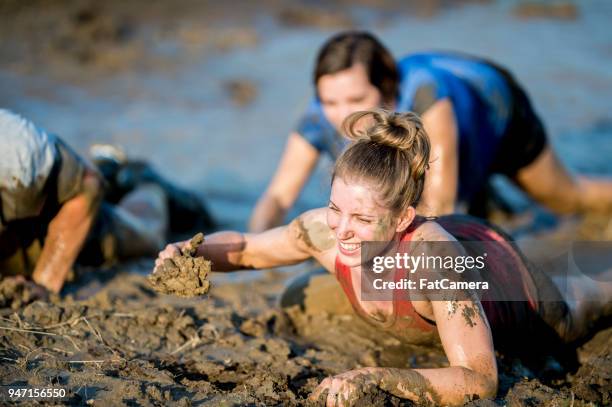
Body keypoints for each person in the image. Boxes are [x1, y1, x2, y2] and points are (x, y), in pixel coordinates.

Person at [156, 110, 611, 405]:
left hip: (504, 279)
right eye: (336, 208)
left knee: (583, 302)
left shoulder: (432, 261)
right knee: (303, 293)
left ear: (401, 219)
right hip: (429, 268)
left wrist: (377, 377)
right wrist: (190, 254)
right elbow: (250, 249)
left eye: (361, 218)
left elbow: (480, 380)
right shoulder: (325, 228)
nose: (342, 229)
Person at [249, 31, 612, 232]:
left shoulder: (425, 98)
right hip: (456, 120)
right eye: (329, 101)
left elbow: (439, 206)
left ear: (387, 88)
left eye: (356, 98)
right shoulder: (319, 114)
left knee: (567, 199)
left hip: (493, 109)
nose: (343, 113)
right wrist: (256, 245)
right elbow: (278, 197)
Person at [0, 109, 214, 293]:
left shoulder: (12, 150)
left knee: (147, 237)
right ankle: (108, 169)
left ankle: (142, 182)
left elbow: (88, 184)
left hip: (62, 213)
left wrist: (43, 284)